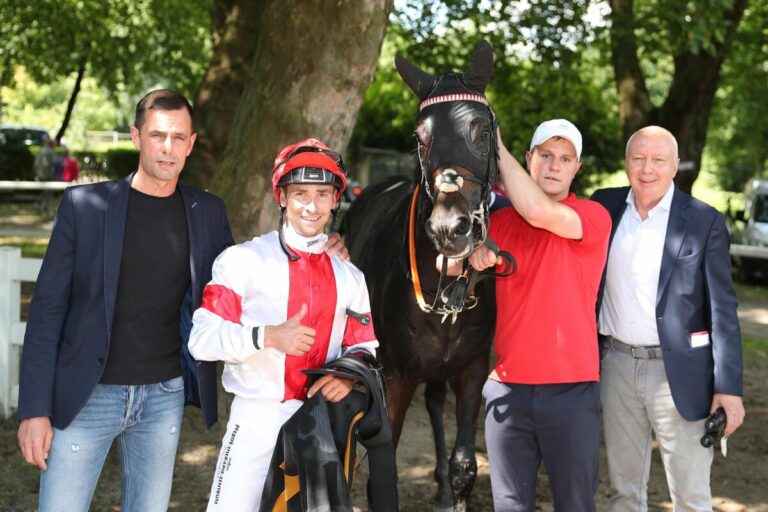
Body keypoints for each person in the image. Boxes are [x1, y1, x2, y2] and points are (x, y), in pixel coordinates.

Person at [188, 138, 379, 511]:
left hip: (321, 422)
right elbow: (202, 339)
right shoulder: (242, 260)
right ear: (281, 196)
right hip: (256, 417)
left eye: (323, 194)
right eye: (300, 193)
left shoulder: (351, 276)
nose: (311, 205)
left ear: (336, 199)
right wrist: (267, 336)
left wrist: (346, 376)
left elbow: (365, 347)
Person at [592, 125, 745, 511]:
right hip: (616, 366)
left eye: (658, 160)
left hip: (682, 373)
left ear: (675, 165)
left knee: (691, 497)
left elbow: (723, 311)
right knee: (623, 493)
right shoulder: (603, 208)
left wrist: (728, 388)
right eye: (638, 158)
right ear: (626, 162)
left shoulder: (703, 220)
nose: (647, 169)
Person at [469, 119, 611, 511]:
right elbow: (447, 269)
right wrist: (474, 256)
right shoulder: (498, 222)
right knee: (510, 505)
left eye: (565, 159)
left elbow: (537, 211)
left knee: (574, 505)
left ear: (576, 168)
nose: (554, 166)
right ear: (529, 159)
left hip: (571, 392)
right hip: (507, 391)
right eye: (546, 155)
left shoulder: (593, 217)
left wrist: (495, 145)